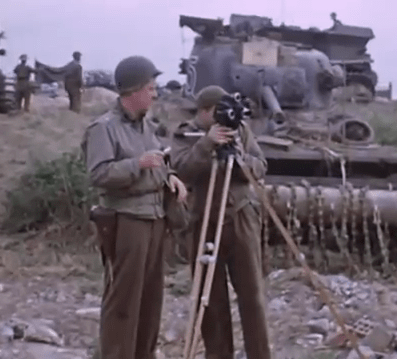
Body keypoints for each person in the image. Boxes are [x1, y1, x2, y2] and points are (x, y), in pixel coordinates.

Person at [81, 55, 188, 359]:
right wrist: (135, 164)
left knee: (151, 300)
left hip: (155, 219)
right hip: (125, 221)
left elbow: (158, 162)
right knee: (123, 301)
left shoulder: (147, 127)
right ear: (134, 90)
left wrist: (171, 178)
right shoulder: (103, 128)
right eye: (151, 88)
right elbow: (98, 174)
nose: (155, 94)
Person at [170, 85, 272, 359]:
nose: (224, 118)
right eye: (218, 113)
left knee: (252, 297)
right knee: (211, 302)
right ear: (205, 112)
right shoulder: (185, 134)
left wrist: (238, 157)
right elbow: (181, 170)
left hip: (240, 217)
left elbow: (261, 165)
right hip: (204, 220)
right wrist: (207, 144)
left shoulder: (240, 130)